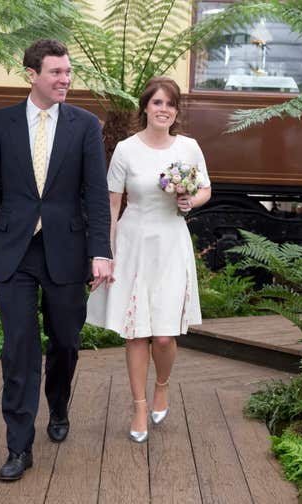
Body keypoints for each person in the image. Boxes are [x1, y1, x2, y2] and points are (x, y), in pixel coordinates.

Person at [0, 39, 113, 481]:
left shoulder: (86, 126)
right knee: (19, 350)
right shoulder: (0, 123)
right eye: (56, 72)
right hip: (15, 252)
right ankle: (18, 447)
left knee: (65, 342)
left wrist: (100, 251)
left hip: (67, 252)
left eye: (68, 72)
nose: (65, 79)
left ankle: (60, 402)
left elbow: (95, 194)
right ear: (31, 73)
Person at [86, 76, 211, 443]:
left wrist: (192, 201)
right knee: (136, 331)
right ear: (145, 107)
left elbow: (205, 188)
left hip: (171, 242)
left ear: (176, 112)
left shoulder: (189, 147)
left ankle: (162, 384)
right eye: (157, 103)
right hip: (133, 241)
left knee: (162, 335)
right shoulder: (126, 149)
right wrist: (104, 252)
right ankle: (139, 405)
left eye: (170, 104)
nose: (163, 110)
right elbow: (111, 204)